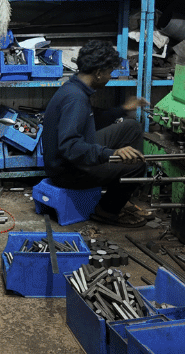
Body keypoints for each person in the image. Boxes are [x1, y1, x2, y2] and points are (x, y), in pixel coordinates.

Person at [41, 40, 151, 228]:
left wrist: (123, 109)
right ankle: (107, 210)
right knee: (137, 165)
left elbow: (90, 121)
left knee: (131, 127)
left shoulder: (74, 87)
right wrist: (112, 154)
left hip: (70, 158)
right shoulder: (75, 99)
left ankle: (121, 195)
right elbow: (70, 147)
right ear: (99, 73)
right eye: (109, 73)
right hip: (68, 171)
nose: (110, 77)